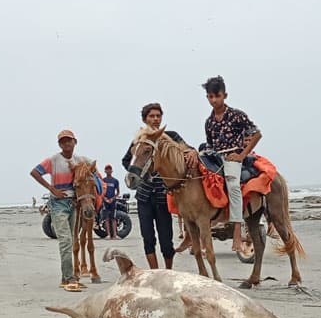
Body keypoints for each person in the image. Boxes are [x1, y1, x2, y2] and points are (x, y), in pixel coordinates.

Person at [122, 103, 192, 269]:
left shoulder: (171, 136)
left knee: (166, 239)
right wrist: (142, 172)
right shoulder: (139, 139)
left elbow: (187, 150)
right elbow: (127, 160)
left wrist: (193, 152)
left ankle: (168, 272)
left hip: (164, 195)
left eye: (158, 116)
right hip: (144, 196)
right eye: (151, 116)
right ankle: (154, 273)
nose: (155, 119)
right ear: (145, 119)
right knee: (148, 237)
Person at [203, 76, 261, 252]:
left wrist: (242, 154)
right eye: (210, 97)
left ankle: (237, 230)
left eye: (217, 96)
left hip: (231, 157)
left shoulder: (237, 115)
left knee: (233, 186)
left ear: (225, 95)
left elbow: (257, 133)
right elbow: (210, 144)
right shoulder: (209, 121)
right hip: (214, 156)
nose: (214, 100)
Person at [31, 130, 91, 292]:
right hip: (58, 203)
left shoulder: (80, 160)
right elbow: (35, 172)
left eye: (69, 141)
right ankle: (68, 278)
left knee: (71, 239)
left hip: (73, 203)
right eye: (63, 141)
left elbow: (92, 171)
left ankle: (70, 276)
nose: (66, 144)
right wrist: (51, 188)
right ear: (59, 144)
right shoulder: (53, 160)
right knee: (65, 240)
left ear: (75, 142)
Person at [101, 164, 120, 239]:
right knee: (106, 218)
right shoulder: (103, 180)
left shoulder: (115, 181)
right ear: (105, 171)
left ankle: (115, 235)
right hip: (105, 201)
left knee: (113, 218)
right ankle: (108, 235)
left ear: (112, 171)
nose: (108, 171)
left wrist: (113, 198)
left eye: (109, 169)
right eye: (107, 169)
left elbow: (118, 192)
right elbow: (100, 191)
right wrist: (105, 198)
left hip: (113, 201)